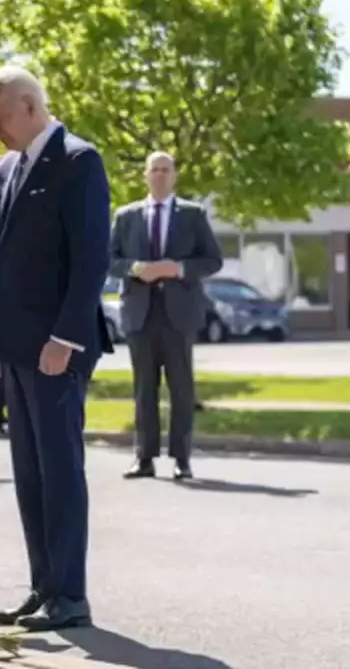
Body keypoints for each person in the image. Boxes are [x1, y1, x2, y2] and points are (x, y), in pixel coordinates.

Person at [0, 66, 112, 631]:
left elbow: (92, 259)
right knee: (29, 471)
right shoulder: (8, 165)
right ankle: (43, 588)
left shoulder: (78, 161)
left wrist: (65, 338)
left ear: (28, 105)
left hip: (56, 345)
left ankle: (72, 595)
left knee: (60, 469)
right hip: (16, 344)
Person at [108, 152, 223, 481]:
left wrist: (180, 268)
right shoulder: (126, 216)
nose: (159, 175)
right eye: (154, 170)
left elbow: (212, 260)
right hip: (139, 314)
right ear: (145, 176)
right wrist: (134, 268)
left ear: (174, 176)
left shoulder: (193, 215)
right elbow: (109, 258)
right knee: (144, 388)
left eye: (165, 170)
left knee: (181, 389)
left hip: (179, 314)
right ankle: (143, 458)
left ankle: (181, 459)